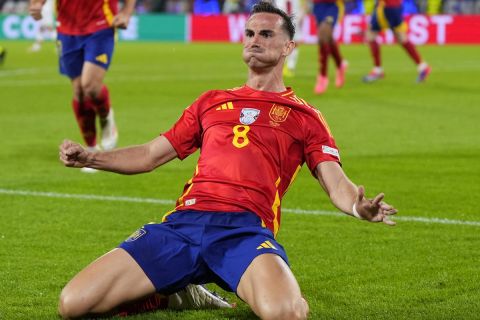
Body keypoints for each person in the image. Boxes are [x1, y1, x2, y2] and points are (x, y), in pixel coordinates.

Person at [58, 2, 397, 319]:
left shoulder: (304, 116)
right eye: (249, 33)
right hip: (184, 225)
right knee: (72, 304)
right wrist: (92, 157)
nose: (254, 40)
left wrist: (357, 206)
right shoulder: (211, 102)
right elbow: (149, 155)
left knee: (286, 313)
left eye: (266, 34)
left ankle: (215, 282)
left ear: (287, 48)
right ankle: (172, 293)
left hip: (245, 232)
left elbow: (334, 180)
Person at [29, 0, 130, 173]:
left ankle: (106, 118)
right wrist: (37, 4)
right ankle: (91, 149)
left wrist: (126, 12)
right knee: (79, 92)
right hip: (66, 30)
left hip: (101, 25)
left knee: (90, 85)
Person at [363, 0, 431, 83]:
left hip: (387, 7)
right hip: (390, 6)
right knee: (399, 37)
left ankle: (378, 70)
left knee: (373, 34)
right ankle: (422, 67)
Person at [312, 0, 348, 94]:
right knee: (327, 38)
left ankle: (323, 76)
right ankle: (340, 64)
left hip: (333, 6)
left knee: (323, 35)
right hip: (318, 6)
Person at [273, 0, 306, 77]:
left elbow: (304, 4)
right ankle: (281, 65)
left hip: (295, 19)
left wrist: (302, 15)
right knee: (280, 42)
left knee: (295, 42)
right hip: (280, 19)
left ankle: (291, 66)